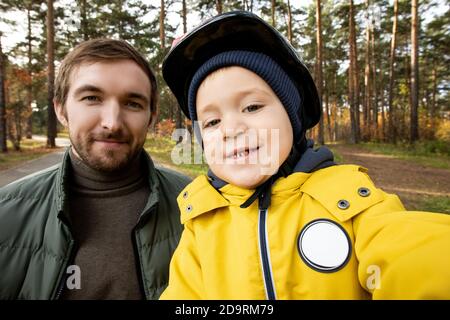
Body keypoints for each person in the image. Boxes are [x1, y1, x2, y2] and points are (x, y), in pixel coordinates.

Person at [159, 11, 450, 299]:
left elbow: (411, 251)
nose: (231, 129)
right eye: (212, 122)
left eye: (252, 107)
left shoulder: (346, 200)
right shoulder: (201, 226)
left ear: (292, 115)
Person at [0, 39, 191, 300]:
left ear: (152, 115)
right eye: (92, 98)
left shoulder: (196, 205)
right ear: (61, 109)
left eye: (133, 103)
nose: (112, 123)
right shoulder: (6, 212)